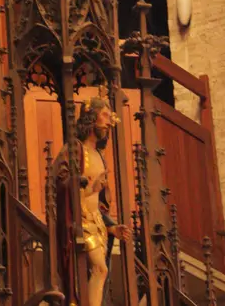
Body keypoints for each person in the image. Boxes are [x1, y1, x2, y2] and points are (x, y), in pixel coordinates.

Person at [53, 95, 130, 306]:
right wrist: (86, 185)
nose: (109, 120)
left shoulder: (99, 155)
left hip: (96, 223)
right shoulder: (75, 149)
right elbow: (60, 183)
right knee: (100, 269)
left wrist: (112, 228)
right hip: (80, 221)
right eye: (104, 115)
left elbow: (98, 200)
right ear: (90, 118)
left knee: (97, 273)